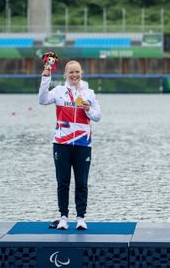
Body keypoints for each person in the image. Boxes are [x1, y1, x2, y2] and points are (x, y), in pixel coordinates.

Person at [39, 60, 101, 230]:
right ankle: (64, 218)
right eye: (71, 72)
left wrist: (88, 110)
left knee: (81, 182)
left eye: (77, 72)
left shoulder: (89, 93)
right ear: (65, 74)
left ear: (81, 73)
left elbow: (98, 116)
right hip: (61, 143)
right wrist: (45, 79)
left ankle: (81, 218)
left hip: (83, 144)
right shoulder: (59, 92)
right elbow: (42, 100)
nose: (74, 75)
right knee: (63, 182)